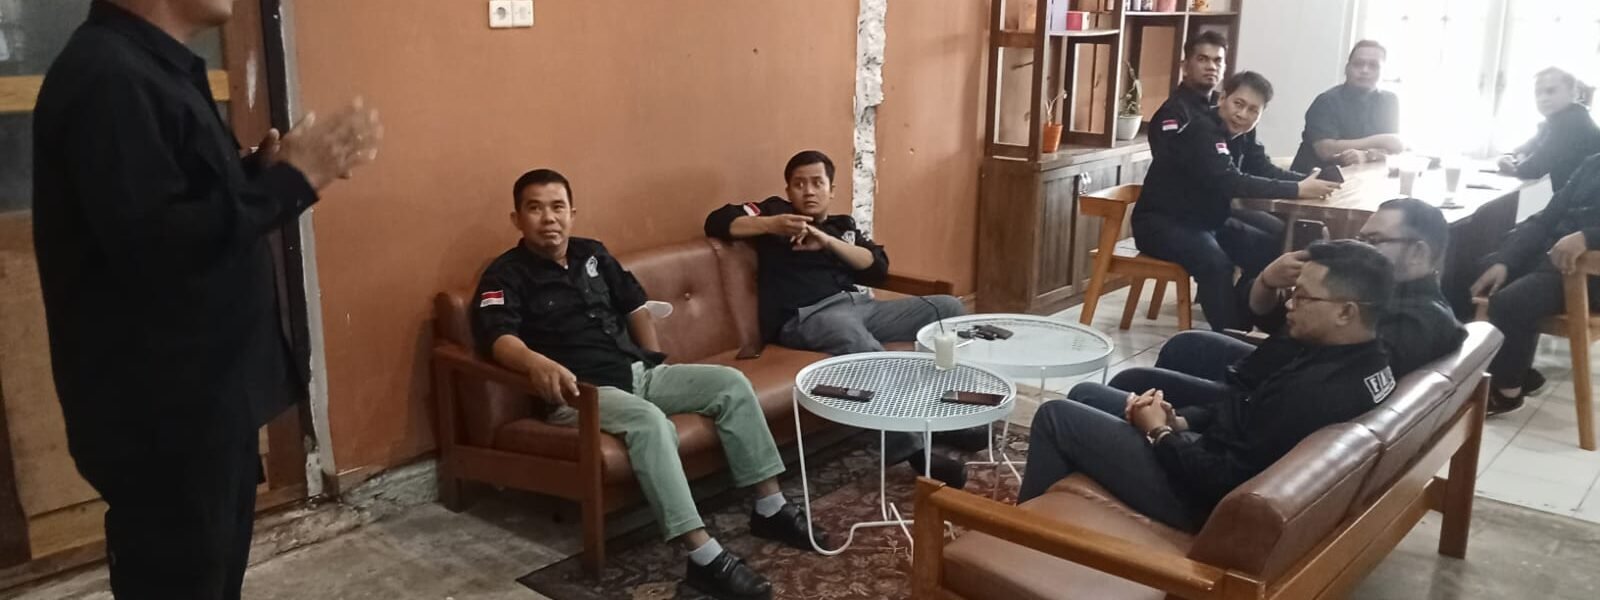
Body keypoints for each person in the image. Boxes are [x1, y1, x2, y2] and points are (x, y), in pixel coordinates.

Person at [30, 1, 382, 598]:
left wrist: (256, 173)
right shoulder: (109, 76)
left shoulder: (150, 68)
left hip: (203, 407)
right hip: (164, 420)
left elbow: (171, 203)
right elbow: (157, 247)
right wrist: (292, 181)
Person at [477, 169, 824, 600]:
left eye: (557, 207)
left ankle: (770, 507)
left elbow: (635, 304)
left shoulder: (591, 253)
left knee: (730, 384)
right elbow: (498, 336)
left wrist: (653, 358)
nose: (549, 218)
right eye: (535, 208)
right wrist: (535, 362)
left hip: (638, 373)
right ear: (517, 219)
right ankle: (703, 557)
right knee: (650, 422)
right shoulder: (506, 275)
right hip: (582, 394)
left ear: (572, 213)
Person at [1020, 241, 1396, 531]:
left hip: (1203, 502)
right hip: (1215, 461)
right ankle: (1062, 520)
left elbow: (1217, 480)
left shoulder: (1314, 392)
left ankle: (1022, 539)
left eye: (1302, 297)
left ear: (1346, 311)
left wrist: (1160, 433)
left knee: (1056, 417)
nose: (1289, 305)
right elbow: (1244, 406)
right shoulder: (1357, 358)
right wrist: (1182, 421)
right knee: (1087, 395)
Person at [704, 150, 973, 488]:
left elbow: (876, 266)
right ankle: (915, 450)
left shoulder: (843, 227)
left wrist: (827, 242)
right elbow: (717, 221)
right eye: (799, 184)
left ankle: (946, 415)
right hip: (808, 316)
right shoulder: (773, 212)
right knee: (861, 345)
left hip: (861, 307)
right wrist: (772, 224)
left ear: (831, 190)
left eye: (817, 183)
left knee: (947, 310)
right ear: (788, 190)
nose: (808, 191)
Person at [1106, 199, 1464, 409]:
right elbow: (1274, 323)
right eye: (1361, 238)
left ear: (1418, 253)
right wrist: (1268, 281)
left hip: (1270, 400)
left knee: (1128, 381)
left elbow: (1331, 379)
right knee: (1187, 346)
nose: (1362, 249)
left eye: (1374, 241)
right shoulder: (1395, 297)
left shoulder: (1415, 323)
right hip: (1272, 379)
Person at [1135, 70, 1341, 332]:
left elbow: (1263, 169)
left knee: (1268, 248)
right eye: (1238, 104)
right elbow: (1230, 181)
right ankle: (1231, 334)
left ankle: (1261, 320)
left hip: (1205, 221)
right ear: (1223, 99)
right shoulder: (1202, 130)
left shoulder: (1243, 133)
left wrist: (1308, 180)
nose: (1243, 114)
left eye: (1253, 110)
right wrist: (1297, 189)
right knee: (1216, 264)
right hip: (1161, 223)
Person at [1472, 154, 1600, 416]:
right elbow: (1546, 219)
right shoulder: (1593, 163)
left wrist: (1589, 237)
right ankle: (1515, 370)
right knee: (1482, 270)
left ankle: (1507, 393)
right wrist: (1505, 261)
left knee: (1513, 302)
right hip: (1555, 260)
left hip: (1587, 273)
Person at [1291, 40, 1404, 174]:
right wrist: (1381, 140)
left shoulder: (1390, 100)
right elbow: (1326, 150)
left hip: (1364, 177)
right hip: (1315, 177)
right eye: (1358, 64)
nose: (1365, 70)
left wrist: (1366, 155)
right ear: (1347, 68)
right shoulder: (1326, 101)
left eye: (1373, 66)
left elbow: (1394, 148)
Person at [1497, 67, 1600, 192]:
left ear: (1573, 93)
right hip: (1567, 195)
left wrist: (1514, 162)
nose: (1543, 98)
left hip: (1582, 201)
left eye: (1551, 91)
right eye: (1538, 93)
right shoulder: (1554, 122)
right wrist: (1510, 158)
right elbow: (1522, 149)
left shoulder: (1573, 123)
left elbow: (1531, 169)